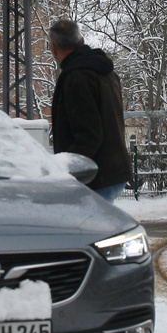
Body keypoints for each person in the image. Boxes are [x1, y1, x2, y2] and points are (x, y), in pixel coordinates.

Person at [47, 18, 132, 203]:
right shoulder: (105, 71)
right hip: (114, 170)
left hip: (95, 177)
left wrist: (65, 169)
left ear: (53, 48)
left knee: (84, 229)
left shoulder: (76, 78)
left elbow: (89, 135)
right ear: (82, 40)